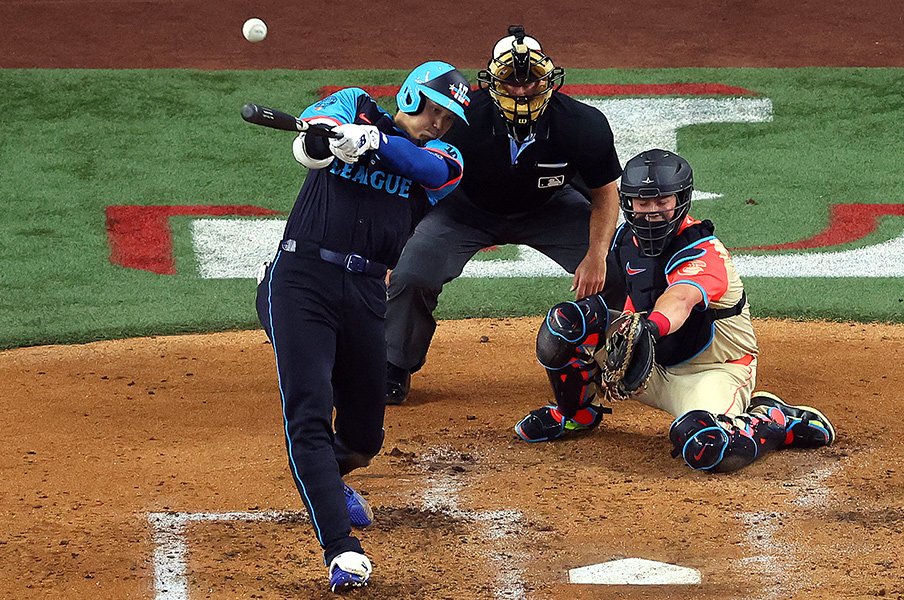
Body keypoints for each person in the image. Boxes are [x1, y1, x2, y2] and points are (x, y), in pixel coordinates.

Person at [255, 61, 469, 592]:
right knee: (308, 413)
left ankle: (325, 477)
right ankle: (340, 550)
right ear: (411, 96)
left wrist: (372, 142)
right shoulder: (352, 103)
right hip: (302, 281)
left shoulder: (446, 159)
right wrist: (334, 142)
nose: (439, 124)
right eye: (435, 111)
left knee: (363, 436)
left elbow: (431, 172)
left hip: (368, 291)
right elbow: (304, 149)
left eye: (449, 118)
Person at [514, 149, 836, 472]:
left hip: (712, 372)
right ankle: (575, 415)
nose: (651, 213)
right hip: (652, 363)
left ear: (681, 200)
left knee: (703, 444)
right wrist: (623, 337)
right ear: (627, 203)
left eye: (661, 202)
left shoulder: (703, 251)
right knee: (565, 325)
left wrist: (648, 328)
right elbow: (635, 296)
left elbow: (680, 299)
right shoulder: (625, 241)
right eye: (642, 203)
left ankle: (773, 420)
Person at [384, 25, 626, 405]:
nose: (522, 89)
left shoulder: (582, 124)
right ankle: (393, 366)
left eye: (530, 81)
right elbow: (412, 178)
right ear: (494, 81)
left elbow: (605, 192)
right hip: (464, 210)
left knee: (615, 266)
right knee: (410, 274)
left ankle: (607, 358)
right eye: (512, 81)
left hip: (548, 208)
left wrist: (596, 256)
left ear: (547, 79)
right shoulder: (459, 122)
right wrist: (392, 248)